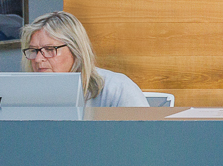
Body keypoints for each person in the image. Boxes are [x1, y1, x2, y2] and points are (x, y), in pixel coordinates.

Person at [20, 9, 149, 107]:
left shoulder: (117, 89)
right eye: (33, 51)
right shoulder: (24, 96)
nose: (37, 59)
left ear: (76, 50)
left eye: (49, 49)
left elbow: (147, 138)